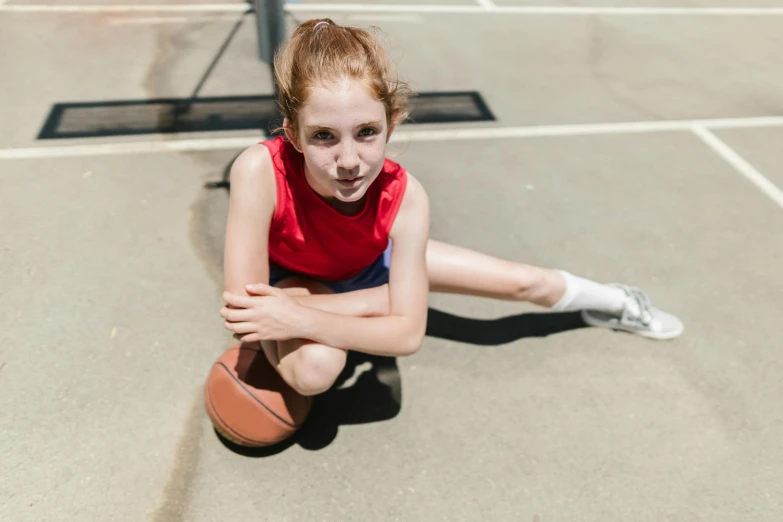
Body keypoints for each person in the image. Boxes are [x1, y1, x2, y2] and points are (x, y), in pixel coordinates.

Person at [219, 18, 683, 398]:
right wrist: (383, 308)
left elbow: (406, 337)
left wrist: (302, 318)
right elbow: (245, 314)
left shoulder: (405, 197)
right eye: (323, 136)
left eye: (366, 132)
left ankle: (618, 301)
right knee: (317, 369)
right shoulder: (260, 171)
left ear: (391, 123)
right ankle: (378, 304)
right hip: (300, 279)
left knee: (526, 282)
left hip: (363, 267)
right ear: (293, 134)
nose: (348, 160)